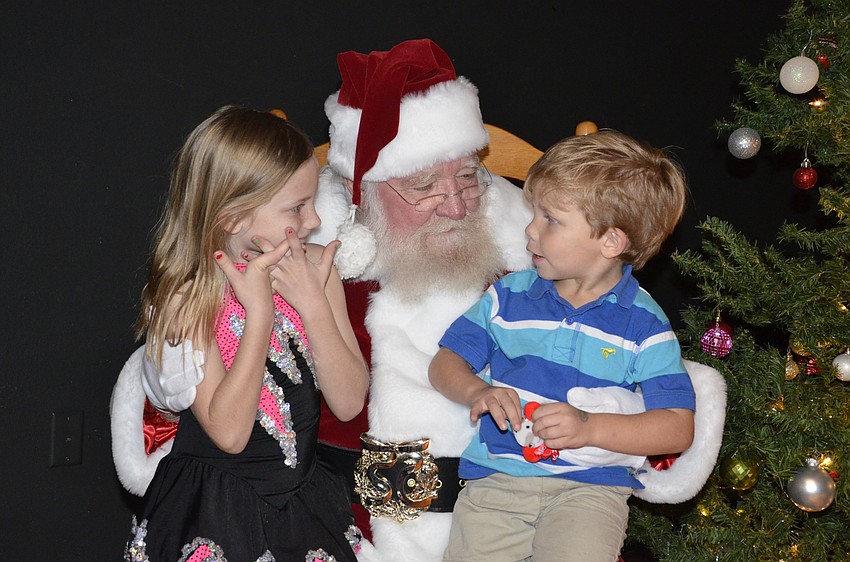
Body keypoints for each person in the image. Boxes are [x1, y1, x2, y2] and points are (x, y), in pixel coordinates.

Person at [113, 40, 727, 562]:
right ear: (371, 193)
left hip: (518, 503)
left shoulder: (538, 265)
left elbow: (653, 400)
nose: (458, 206)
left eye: (469, 178)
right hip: (342, 516)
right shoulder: (325, 256)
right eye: (425, 186)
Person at [428, 130, 696, 562]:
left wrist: (590, 427)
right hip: (497, 482)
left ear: (611, 242)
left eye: (550, 219)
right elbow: (445, 362)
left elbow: (677, 428)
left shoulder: (645, 325)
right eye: (534, 213)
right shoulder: (508, 296)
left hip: (590, 491)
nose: (530, 229)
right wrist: (478, 391)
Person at [122, 105, 368, 561]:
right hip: (214, 513)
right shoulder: (187, 297)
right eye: (297, 207)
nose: (313, 220)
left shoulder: (315, 270)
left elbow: (349, 401)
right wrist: (260, 316)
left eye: (312, 202)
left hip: (302, 507)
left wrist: (313, 304)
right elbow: (230, 433)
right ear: (233, 216)